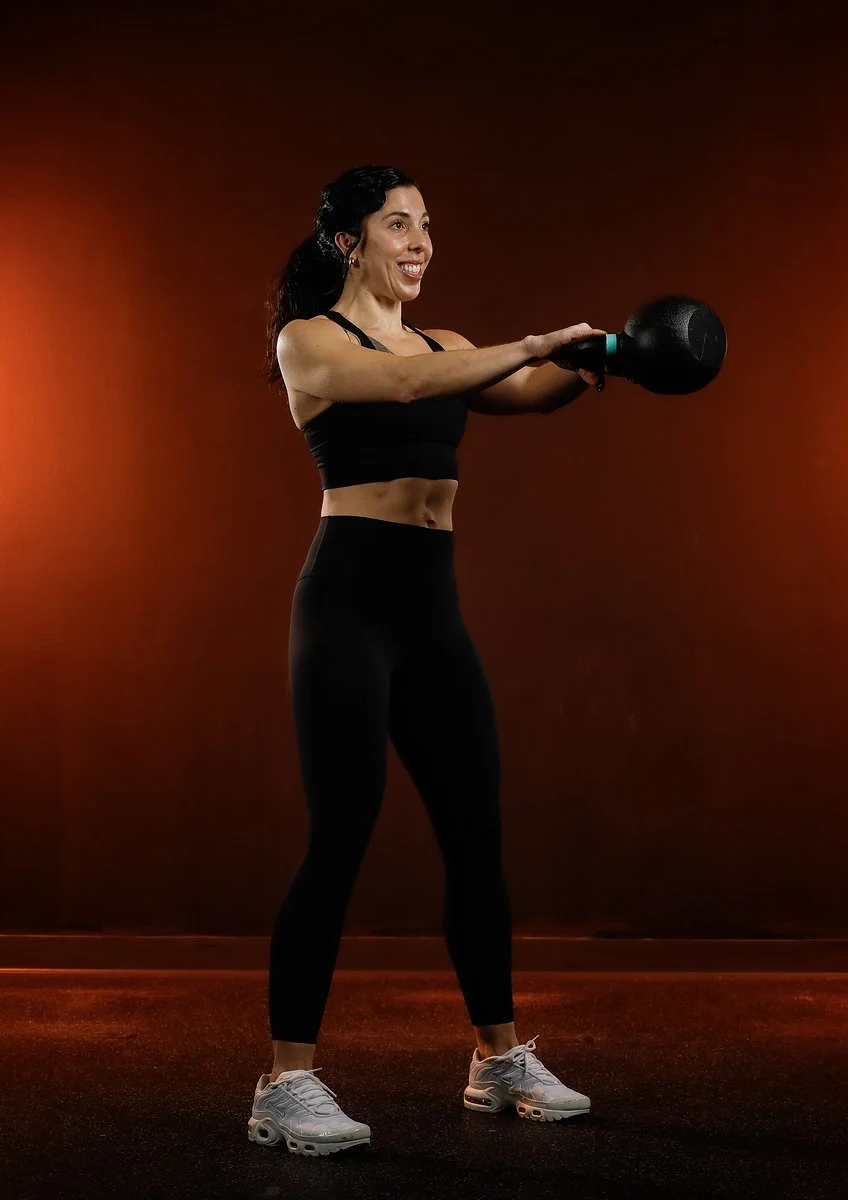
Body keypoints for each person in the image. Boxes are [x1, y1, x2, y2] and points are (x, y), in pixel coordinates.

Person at [249, 164, 598, 1158]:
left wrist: (603, 356)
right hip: (348, 606)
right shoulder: (308, 341)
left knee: (476, 835)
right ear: (346, 243)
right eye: (397, 224)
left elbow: (527, 391)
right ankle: (284, 1080)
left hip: (430, 614)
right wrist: (529, 342)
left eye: (428, 226)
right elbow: (403, 381)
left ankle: (497, 1058)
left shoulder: (446, 342)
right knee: (342, 835)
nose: (420, 242)